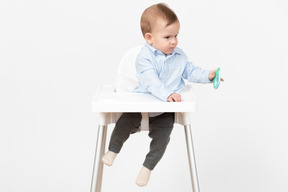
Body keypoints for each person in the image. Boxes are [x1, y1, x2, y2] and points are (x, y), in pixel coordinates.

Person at [102, 3, 223, 187]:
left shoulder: (178, 56)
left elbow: (190, 70)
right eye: (167, 37)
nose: (173, 41)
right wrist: (167, 94)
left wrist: (208, 75)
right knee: (123, 124)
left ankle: (147, 168)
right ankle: (112, 150)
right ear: (149, 38)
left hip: (164, 109)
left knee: (163, 138)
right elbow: (151, 81)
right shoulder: (144, 57)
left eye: (176, 36)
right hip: (143, 104)